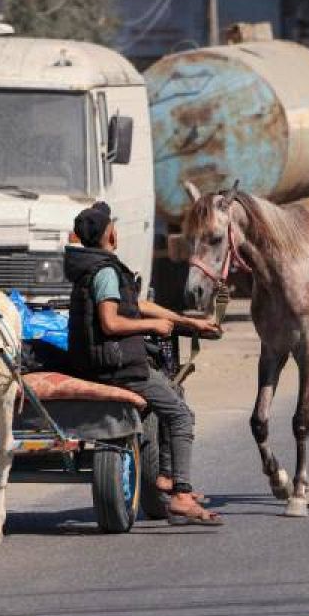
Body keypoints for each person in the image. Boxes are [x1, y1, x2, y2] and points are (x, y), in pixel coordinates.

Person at [64, 201, 224, 525]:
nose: (115, 229)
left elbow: (137, 304)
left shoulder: (95, 267)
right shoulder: (105, 272)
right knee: (181, 416)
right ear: (109, 233)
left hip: (107, 362)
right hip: (117, 368)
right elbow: (111, 322)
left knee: (174, 394)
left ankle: (166, 476)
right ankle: (181, 495)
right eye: (113, 225)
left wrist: (189, 323)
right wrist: (150, 327)